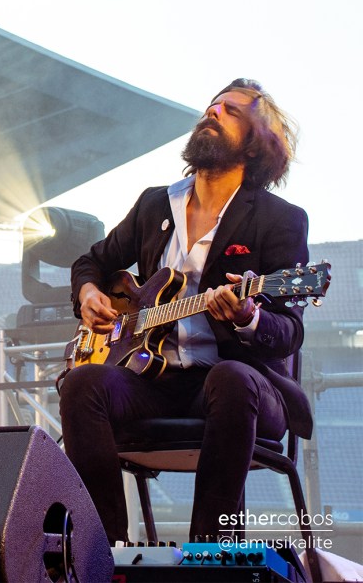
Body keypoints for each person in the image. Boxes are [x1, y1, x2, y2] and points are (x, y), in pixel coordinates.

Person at [59, 78, 312, 543]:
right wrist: (89, 294)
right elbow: (90, 263)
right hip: (153, 380)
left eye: (232, 111)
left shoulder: (279, 219)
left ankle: (209, 554)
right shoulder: (155, 203)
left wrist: (247, 317)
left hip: (240, 388)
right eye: (213, 106)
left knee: (231, 378)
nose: (213, 112)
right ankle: (101, 550)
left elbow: (288, 331)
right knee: (81, 384)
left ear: (255, 144)